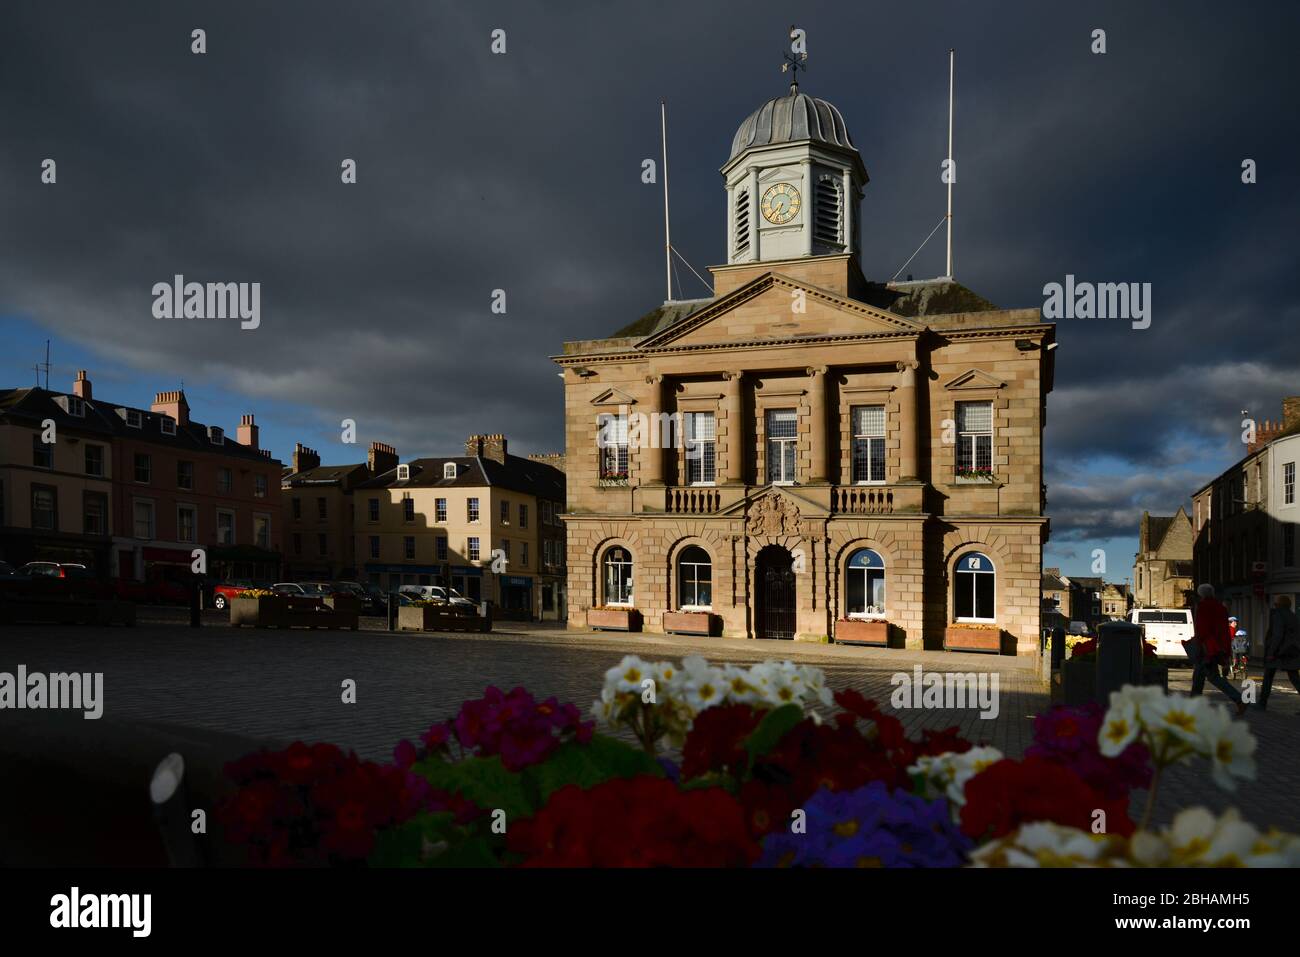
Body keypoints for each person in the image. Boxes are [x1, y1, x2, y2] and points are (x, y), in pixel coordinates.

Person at [1188, 583, 1247, 714]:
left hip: (1206, 648)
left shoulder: (1203, 607)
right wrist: (1226, 650)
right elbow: (1224, 631)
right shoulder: (1221, 608)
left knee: (1212, 677)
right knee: (1199, 676)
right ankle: (1193, 705)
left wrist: (1198, 643)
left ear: (1201, 594)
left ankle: (1239, 700)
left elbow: (1202, 629)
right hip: (1216, 648)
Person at [1258, 594, 1300, 711]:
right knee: (1295, 678)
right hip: (1291, 651)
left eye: (1276, 602)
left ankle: (1262, 703)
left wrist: (1271, 652)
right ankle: (1261, 703)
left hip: (1278, 652)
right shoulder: (1293, 615)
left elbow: (1277, 635)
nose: (1274, 603)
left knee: (1268, 677)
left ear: (1279, 604)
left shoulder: (1278, 615)